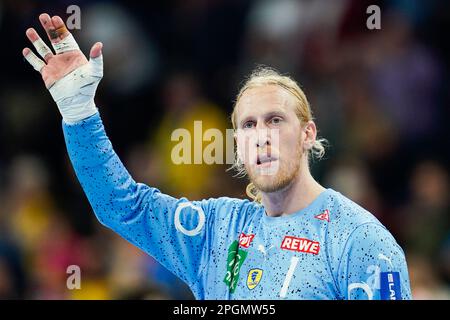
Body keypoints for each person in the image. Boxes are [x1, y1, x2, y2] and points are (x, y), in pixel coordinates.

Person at [23, 13, 412, 300]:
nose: (261, 136)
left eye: (275, 120)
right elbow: (120, 206)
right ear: (238, 146)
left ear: (308, 134)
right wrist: (79, 114)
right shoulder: (214, 230)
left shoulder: (359, 239)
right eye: (248, 126)